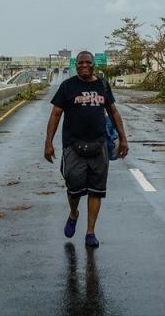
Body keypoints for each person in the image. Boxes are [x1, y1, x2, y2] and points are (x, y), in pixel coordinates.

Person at [45, 51, 129, 248]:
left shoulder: (103, 85)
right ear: (76, 65)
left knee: (96, 191)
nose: (84, 65)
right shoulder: (67, 86)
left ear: (93, 65)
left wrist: (123, 138)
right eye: (80, 63)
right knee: (73, 188)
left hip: (99, 145)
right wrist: (48, 142)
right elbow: (56, 114)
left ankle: (90, 232)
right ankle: (74, 213)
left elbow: (113, 112)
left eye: (88, 62)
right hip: (73, 145)